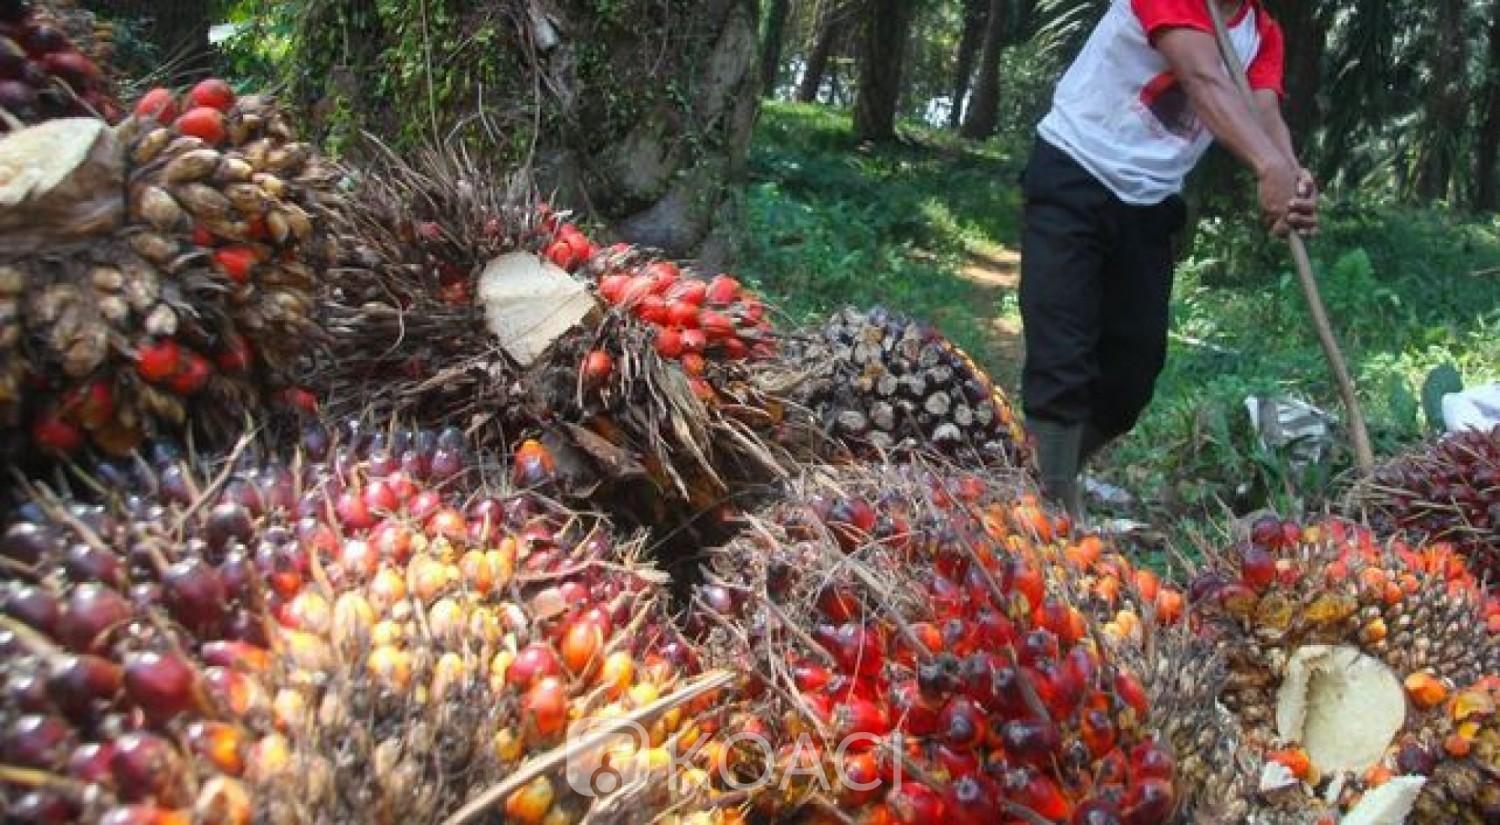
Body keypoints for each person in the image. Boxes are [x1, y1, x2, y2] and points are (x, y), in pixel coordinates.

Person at [1016, 0, 1319, 521]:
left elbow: (1264, 111)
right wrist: (1266, 165)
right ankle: (1050, 500)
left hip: (1150, 206)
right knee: (1062, 356)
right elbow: (1201, 76)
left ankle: (1030, 468)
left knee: (1129, 379)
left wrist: (1291, 177)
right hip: (1075, 170)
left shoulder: (1262, 34)